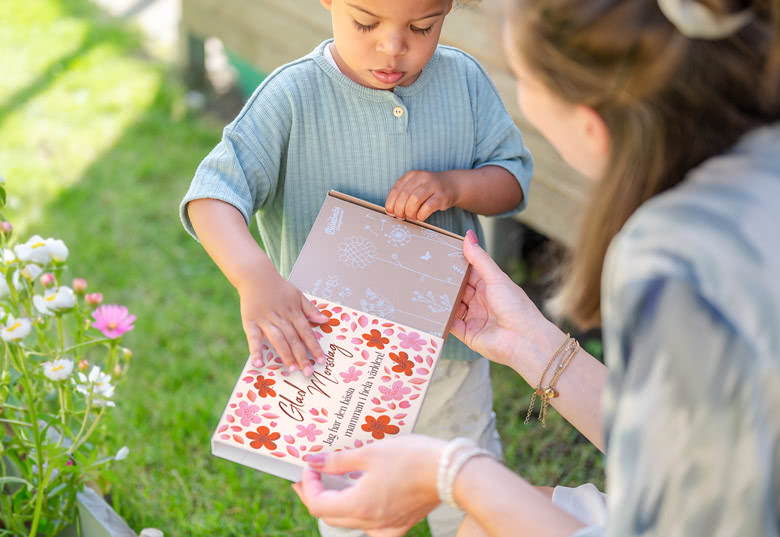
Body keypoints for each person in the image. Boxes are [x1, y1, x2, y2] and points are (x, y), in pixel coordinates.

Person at [291, 0, 780, 535]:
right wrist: (531, 343)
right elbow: (682, 445)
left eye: (522, 79)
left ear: (590, 125)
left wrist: (452, 473)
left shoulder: (670, 260)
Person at [179, 0, 534, 535]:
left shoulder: (462, 80)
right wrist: (254, 275)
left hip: (449, 355)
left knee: (469, 497)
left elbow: (511, 177)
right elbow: (212, 195)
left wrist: (456, 185)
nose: (393, 47)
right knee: (352, 508)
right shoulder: (292, 96)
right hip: (336, 369)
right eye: (365, 23)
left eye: (422, 26)